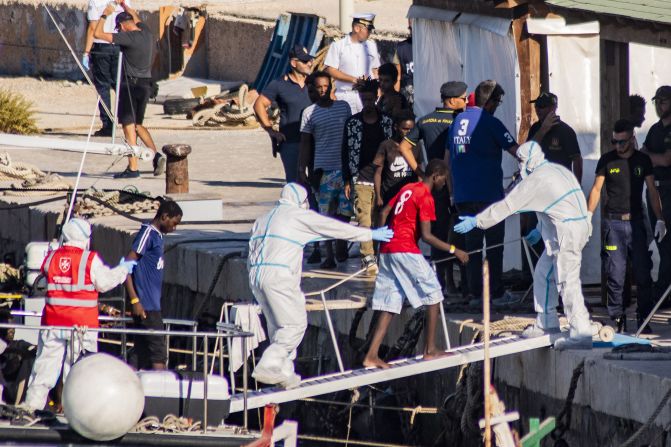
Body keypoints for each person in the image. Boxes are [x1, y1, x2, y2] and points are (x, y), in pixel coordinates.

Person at [249, 183, 393, 387]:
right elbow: (333, 228)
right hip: (279, 275)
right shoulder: (297, 215)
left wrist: (255, 284)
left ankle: (285, 371)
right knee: (294, 325)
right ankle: (269, 364)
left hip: (256, 274)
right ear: (299, 200)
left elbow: (252, 249)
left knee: (278, 326)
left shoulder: (263, 219)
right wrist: (369, 234)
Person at [455, 141, 592, 350]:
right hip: (572, 228)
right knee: (543, 274)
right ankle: (547, 322)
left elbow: (507, 206)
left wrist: (477, 221)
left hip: (566, 234)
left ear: (530, 159)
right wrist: (541, 230)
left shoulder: (536, 180)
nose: (519, 165)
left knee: (567, 281)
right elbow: (557, 204)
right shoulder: (556, 170)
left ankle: (581, 331)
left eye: (520, 160)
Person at [363, 160, 469, 369]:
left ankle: (371, 355)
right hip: (405, 250)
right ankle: (430, 350)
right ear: (436, 176)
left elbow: (384, 212)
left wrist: (380, 245)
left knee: (389, 303)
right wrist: (454, 250)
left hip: (387, 249)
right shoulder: (425, 196)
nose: (444, 184)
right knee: (434, 293)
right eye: (444, 180)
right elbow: (428, 236)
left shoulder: (408, 188)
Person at [23, 218, 136, 411]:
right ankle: (75, 410)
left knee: (44, 367)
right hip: (82, 326)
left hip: (53, 322)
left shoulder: (51, 258)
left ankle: (32, 407)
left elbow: (41, 277)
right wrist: (122, 270)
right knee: (77, 370)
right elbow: (104, 282)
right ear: (85, 238)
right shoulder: (89, 260)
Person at [588, 119, 666, 333]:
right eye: (615, 142)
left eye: (622, 142)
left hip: (637, 224)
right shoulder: (607, 160)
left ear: (632, 139)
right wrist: (587, 217)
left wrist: (659, 218)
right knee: (615, 274)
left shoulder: (643, 160)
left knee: (643, 273)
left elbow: (652, 191)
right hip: (613, 225)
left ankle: (644, 317)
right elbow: (596, 189)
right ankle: (617, 319)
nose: (618, 147)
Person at [449, 80, 518, 306]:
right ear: (489, 102)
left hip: (462, 195)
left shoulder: (457, 121)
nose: (498, 105)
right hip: (488, 195)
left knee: (473, 247)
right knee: (495, 246)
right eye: (497, 101)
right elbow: (516, 151)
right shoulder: (490, 122)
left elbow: (449, 157)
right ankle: (496, 294)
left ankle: (475, 294)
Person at [400, 81, 468, 295]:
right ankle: (459, 283)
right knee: (458, 233)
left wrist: (420, 172)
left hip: (433, 183)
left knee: (438, 234)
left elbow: (403, 146)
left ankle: (444, 281)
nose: (465, 102)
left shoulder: (425, 120)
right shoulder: (458, 120)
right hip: (455, 183)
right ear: (452, 100)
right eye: (463, 98)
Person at [95, 1, 165, 179]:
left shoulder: (127, 37)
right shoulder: (147, 33)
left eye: (118, 28)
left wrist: (105, 14)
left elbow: (97, 33)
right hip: (145, 85)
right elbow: (137, 17)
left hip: (130, 86)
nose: (118, 31)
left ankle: (133, 168)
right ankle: (156, 156)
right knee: (138, 125)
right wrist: (124, 5)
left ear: (122, 26)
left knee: (128, 127)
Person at [298, 71, 353, 269]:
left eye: (326, 86)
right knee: (325, 214)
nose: (323, 90)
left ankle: (341, 242)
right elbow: (305, 143)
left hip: (345, 169)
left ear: (331, 86)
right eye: (319, 87)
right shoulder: (309, 112)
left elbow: (351, 135)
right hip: (324, 169)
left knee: (346, 212)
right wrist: (301, 168)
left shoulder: (344, 107)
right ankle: (329, 254)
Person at [342, 79, 393, 272]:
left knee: (378, 217)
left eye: (371, 100)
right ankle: (368, 256)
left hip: (384, 179)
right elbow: (345, 150)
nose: (368, 104)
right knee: (363, 218)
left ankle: (381, 252)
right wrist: (347, 178)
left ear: (376, 98)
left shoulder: (387, 122)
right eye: (364, 100)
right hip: (361, 177)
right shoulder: (352, 123)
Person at [124, 201, 182, 370]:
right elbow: (126, 266)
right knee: (159, 354)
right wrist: (135, 301)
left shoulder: (158, 236)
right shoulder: (147, 234)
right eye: (174, 223)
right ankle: (161, 393)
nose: (175, 228)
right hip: (146, 307)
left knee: (140, 353)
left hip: (153, 305)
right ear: (164, 217)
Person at [253, 45, 314, 183]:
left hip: (315, 141)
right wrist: (270, 131)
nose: (309, 63)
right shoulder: (279, 84)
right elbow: (259, 105)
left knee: (317, 183)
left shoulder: (314, 83)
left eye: (309, 60)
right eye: (305, 61)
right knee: (295, 183)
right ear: (293, 63)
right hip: (291, 142)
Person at [641, 86, 671, 308]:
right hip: (654, 189)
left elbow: (665, 160)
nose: (659, 106)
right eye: (657, 102)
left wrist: (648, 157)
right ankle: (662, 294)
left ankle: (661, 295)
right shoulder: (654, 129)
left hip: (668, 190)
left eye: (663, 102)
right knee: (662, 245)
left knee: (668, 246)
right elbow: (645, 156)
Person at [84, 0, 130, 136]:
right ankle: (130, 120)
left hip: (101, 45)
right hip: (119, 44)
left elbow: (93, 27)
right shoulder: (124, 1)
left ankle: (108, 125)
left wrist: (86, 52)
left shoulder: (95, 1)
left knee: (103, 87)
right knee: (119, 85)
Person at [324, 13, 381, 114]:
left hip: (367, 96)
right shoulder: (338, 46)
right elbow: (330, 70)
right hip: (346, 95)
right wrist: (354, 80)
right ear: (357, 28)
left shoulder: (371, 46)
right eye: (368, 29)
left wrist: (378, 89)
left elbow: (375, 69)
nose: (370, 33)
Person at [528, 92, 582, 182]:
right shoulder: (535, 128)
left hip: (560, 185)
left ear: (552, 108)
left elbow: (577, 160)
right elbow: (528, 152)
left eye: (542, 106)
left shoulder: (566, 131)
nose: (538, 109)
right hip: (539, 184)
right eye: (536, 105)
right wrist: (543, 130)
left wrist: (577, 185)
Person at [374, 111, 417, 207]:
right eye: (405, 129)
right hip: (389, 195)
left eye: (411, 129)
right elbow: (378, 173)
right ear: (396, 127)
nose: (408, 132)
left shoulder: (417, 146)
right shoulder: (386, 145)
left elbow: (420, 172)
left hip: (409, 196)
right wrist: (378, 196)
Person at [392, 20, 413, 106]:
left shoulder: (432, 48)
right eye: (411, 29)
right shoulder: (401, 48)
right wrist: (395, 99)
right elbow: (397, 76)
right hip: (408, 96)